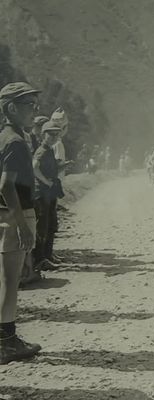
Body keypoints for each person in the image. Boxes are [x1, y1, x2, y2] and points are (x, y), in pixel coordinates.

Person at [0, 82, 42, 363]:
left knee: (6, 279)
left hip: (5, 214)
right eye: (29, 105)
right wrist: (22, 224)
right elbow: (6, 185)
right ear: (12, 108)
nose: (34, 110)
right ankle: (6, 342)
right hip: (15, 214)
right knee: (11, 281)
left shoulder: (5, 136)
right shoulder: (15, 141)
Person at [32, 121, 68, 271]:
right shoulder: (42, 150)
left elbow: (47, 168)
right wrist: (46, 182)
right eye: (50, 134)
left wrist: (62, 166)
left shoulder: (50, 149)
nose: (54, 136)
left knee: (50, 224)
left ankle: (47, 256)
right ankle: (40, 259)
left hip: (49, 192)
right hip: (42, 193)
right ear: (43, 135)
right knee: (42, 226)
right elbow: (34, 167)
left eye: (56, 134)